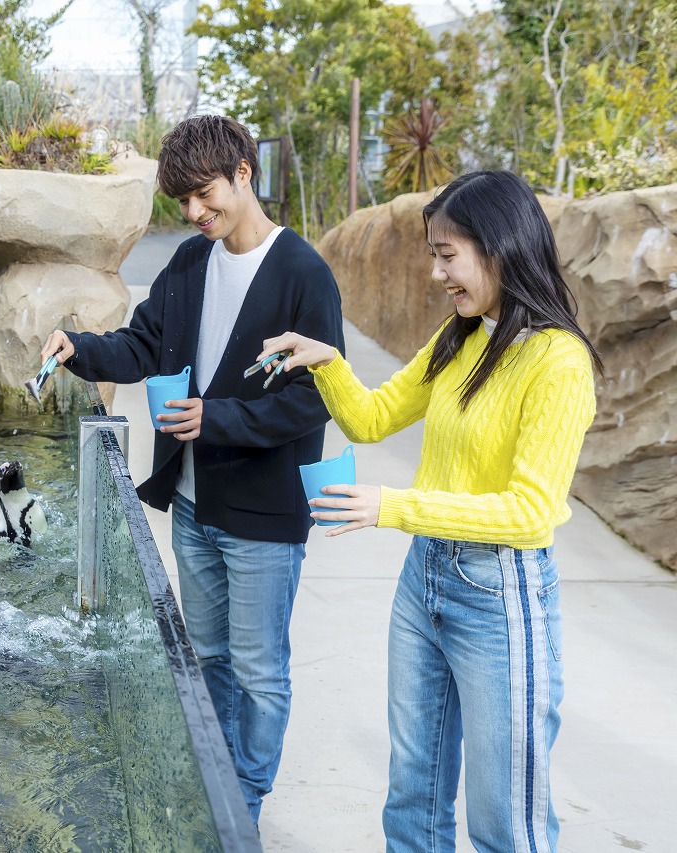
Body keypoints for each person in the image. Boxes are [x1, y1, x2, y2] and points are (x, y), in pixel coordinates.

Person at [256, 170, 601, 851]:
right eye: (433, 252)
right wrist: (327, 361)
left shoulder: (559, 363)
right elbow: (370, 417)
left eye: (448, 253)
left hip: (501, 596)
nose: (436, 270)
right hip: (427, 581)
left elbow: (529, 513)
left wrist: (393, 505)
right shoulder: (463, 337)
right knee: (414, 790)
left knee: (505, 820)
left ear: (501, 247)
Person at [40, 114, 345, 823]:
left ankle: (246, 800)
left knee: (260, 670)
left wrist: (218, 418)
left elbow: (313, 400)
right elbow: (143, 345)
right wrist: (76, 348)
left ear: (244, 171)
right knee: (207, 657)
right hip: (192, 505)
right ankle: (221, 789)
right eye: (181, 202)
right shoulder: (188, 264)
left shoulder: (304, 274)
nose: (193, 213)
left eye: (203, 195)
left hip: (264, 513)